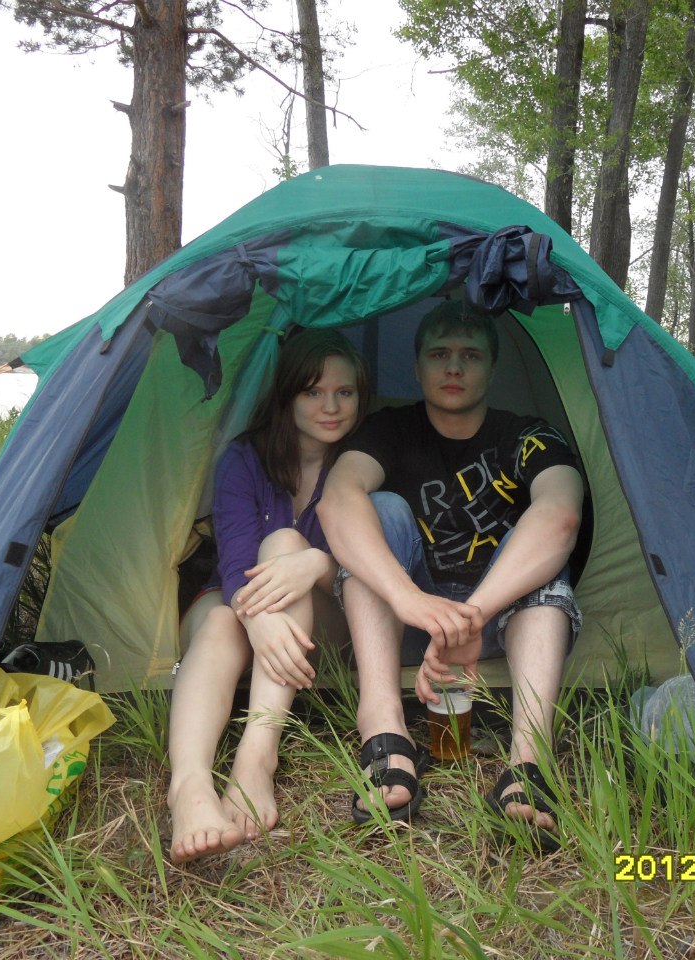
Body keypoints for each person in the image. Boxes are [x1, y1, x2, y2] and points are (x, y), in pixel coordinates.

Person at [317, 300, 583, 849]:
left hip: (499, 624)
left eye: (470, 355)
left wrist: (472, 617)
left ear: (492, 368)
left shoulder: (529, 435)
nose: (454, 367)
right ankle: (383, 728)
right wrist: (408, 598)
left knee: (539, 547)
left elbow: (561, 513)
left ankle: (528, 760)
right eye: (439, 355)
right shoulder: (389, 429)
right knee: (378, 510)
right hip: (403, 621)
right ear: (417, 369)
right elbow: (336, 499)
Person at [168, 328, 371, 863]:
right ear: (287, 395)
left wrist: (317, 562)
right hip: (236, 607)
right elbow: (235, 560)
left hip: (327, 622)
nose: (331, 407)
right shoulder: (245, 458)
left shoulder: (365, 460)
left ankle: (256, 758)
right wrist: (254, 616)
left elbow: (373, 564)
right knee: (222, 617)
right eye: (313, 391)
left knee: (285, 544)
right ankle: (189, 787)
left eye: (344, 392)